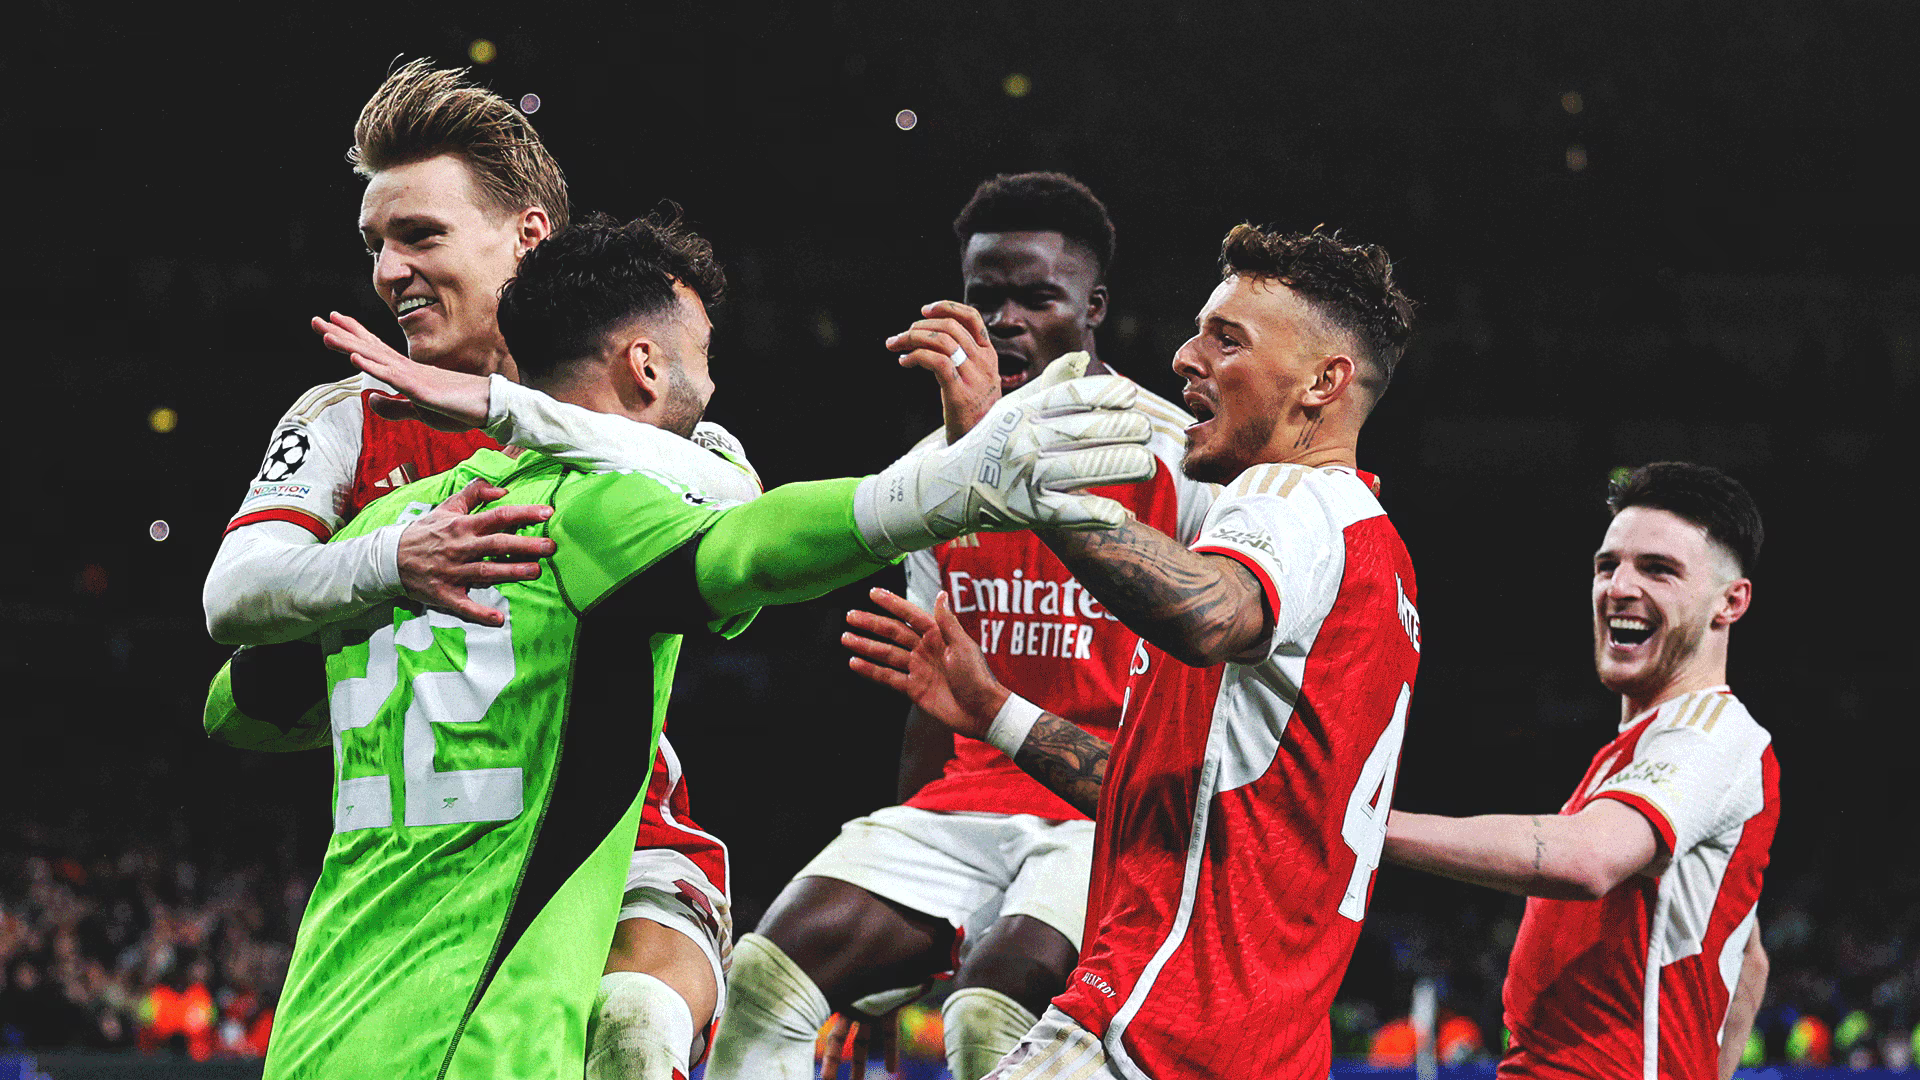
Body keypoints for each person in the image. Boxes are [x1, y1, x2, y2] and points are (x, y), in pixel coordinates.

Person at [205, 212, 1156, 1080]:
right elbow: (752, 546)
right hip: (483, 1037)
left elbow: (239, 707)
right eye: (703, 357)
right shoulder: (585, 512)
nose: (714, 383)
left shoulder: (404, 533)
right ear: (649, 367)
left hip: (323, 1028)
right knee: (638, 1022)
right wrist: (944, 488)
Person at [198, 61, 764, 1078]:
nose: (387, 272)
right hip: (429, 864)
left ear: (527, 237)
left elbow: (747, 520)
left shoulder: (636, 413)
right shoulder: (344, 420)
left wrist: (514, 415)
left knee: (633, 1027)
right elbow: (233, 597)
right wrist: (392, 560)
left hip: (624, 839)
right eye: (375, 243)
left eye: (419, 235)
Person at [841, 224, 1420, 1079]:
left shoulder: (1293, 499)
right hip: (1258, 1047)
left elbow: (1206, 614)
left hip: (1156, 1020)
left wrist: (1036, 488)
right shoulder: (1370, 556)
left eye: (1227, 340)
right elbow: (1171, 804)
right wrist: (997, 712)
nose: (1186, 357)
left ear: (1323, 383)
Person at [706, 173, 1213, 1080]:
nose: (1007, 320)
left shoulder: (1173, 456)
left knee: (990, 1018)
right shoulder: (932, 474)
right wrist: (876, 975)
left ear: (1093, 306)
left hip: (1106, 808)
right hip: (969, 802)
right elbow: (929, 689)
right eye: (987, 299)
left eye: (1037, 297)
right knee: (765, 976)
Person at [1382, 462, 1777, 1080]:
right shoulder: (1643, 752)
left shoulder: (1712, 735)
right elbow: (1748, 964)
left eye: (1658, 569)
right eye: (1607, 564)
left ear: (1731, 601)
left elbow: (1587, 859)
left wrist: (1366, 826)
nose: (1617, 586)